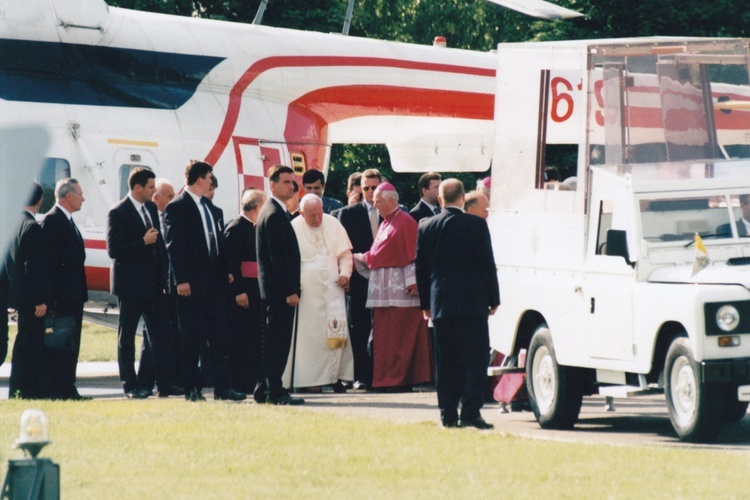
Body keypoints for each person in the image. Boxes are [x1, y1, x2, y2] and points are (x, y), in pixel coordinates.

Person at [415, 178, 500, 429]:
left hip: (441, 302)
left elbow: (421, 268)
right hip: (472, 301)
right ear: (463, 198)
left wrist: (425, 304)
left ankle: (448, 414)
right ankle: (471, 411)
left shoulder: (426, 225)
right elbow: (487, 264)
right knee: (475, 358)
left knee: (446, 361)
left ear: (440, 200)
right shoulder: (476, 224)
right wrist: (493, 299)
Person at [164, 160, 246, 402]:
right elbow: (174, 246)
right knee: (190, 337)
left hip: (214, 283)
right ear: (200, 179)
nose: (211, 181)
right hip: (191, 284)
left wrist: (226, 271)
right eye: (209, 177)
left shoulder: (208, 207)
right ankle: (192, 389)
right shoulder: (177, 206)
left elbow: (217, 242)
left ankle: (223, 388)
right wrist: (181, 280)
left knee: (220, 337)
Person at [107, 168, 179, 399]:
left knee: (161, 335)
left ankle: (165, 384)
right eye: (150, 187)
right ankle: (130, 385)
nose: (153, 191)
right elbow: (114, 250)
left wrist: (164, 278)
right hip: (130, 287)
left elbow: (158, 246)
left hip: (153, 286)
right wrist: (142, 241)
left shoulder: (150, 208)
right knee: (126, 337)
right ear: (137, 188)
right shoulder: (118, 212)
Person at [355, 182, 433, 391]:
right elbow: (379, 254)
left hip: (402, 294)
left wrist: (413, 282)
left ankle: (399, 380)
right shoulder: (386, 222)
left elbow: (413, 256)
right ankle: (385, 379)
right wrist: (358, 258)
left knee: (399, 339)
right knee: (385, 338)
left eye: (378, 201)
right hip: (384, 292)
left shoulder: (405, 222)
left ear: (391, 200)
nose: (374, 204)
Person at [283, 194, 354, 392]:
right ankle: (308, 380)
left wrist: (346, 274)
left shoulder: (333, 223)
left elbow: (345, 255)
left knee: (334, 333)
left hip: (333, 288)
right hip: (307, 293)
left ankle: (335, 376)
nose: (317, 219)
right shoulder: (294, 227)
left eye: (319, 214)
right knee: (310, 338)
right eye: (312, 216)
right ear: (301, 213)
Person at [256, 165, 304, 406]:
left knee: (274, 340)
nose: (291, 186)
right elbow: (279, 259)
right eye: (285, 182)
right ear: (272, 185)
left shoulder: (274, 210)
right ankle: (275, 391)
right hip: (280, 293)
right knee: (278, 342)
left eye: (292, 182)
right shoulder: (274, 213)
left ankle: (264, 387)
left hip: (275, 291)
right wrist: (289, 291)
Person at [332, 168, 382, 389]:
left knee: (382, 329)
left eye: (374, 187)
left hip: (384, 280)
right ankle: (361, 375)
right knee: (358, 329)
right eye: (366, 188)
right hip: (359, 282)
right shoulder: (348, 214)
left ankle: (381, 375)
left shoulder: (394, 211)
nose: (370, 192)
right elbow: (341, 251)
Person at [41, 178, 89, 400]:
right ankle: (60, 388)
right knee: (61, 345)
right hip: (62, 298)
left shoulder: (67, 221)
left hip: (74, 296)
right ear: (69, 196)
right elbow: (49, 265)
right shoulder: (52, 221)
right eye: (80, 194)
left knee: (72, 344)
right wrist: (53, 299)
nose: (83, 198)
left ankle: (68, 387)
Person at [5, 183, 51, 398]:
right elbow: (33, 269)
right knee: (30, 344)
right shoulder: (32, 227)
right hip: (32, 300)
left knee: (23, 343)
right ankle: (25, 388)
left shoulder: (14, 225)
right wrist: (39, 300)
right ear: (40, 201)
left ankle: (19, 387)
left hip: (19, 296)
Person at [224, 187, 266, 395]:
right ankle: (239, 382)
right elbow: (231, 265)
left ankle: (252, 380)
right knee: (241, 338)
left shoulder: (255, 227)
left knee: (254, 338)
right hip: (243, 291)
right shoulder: (236, 227)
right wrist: (238, 291)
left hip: (256, 289)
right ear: (257, 207)